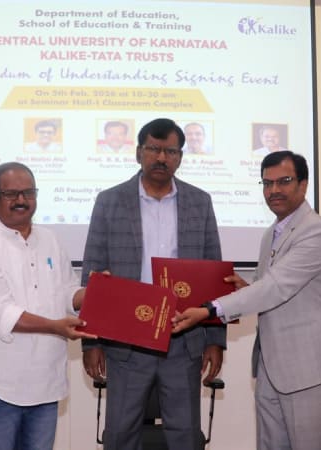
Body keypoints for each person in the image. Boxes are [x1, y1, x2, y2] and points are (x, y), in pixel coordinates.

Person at [173, 150, 321, 450]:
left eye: (284, 181)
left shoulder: (317, 231)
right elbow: (270, 287)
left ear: (303, 185)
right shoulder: (272, 234)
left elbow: (276, 287)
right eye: (267, 183)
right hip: (270, 368)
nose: (274, 190)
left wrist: (210, 309)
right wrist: (246, 287)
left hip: (308, 370)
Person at [81, 118, 225, 450]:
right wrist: (91, 343)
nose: (161, 158)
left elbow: (214, 274)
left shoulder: (199, 203)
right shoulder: (109, 201)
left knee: (186, 435)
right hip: (125, 342)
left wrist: (215, 338)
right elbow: (93, 272)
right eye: (154, 149)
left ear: (180, 157)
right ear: (138, 153)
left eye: (170, 151)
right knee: (119, 434)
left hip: (183, 338)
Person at [0, 162, 96, 450]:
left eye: (28, 192)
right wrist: (54, 326)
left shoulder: (51, 240)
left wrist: (93, 294)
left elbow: (65, 292)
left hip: (46, 380)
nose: (21, 200)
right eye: (11, 194)